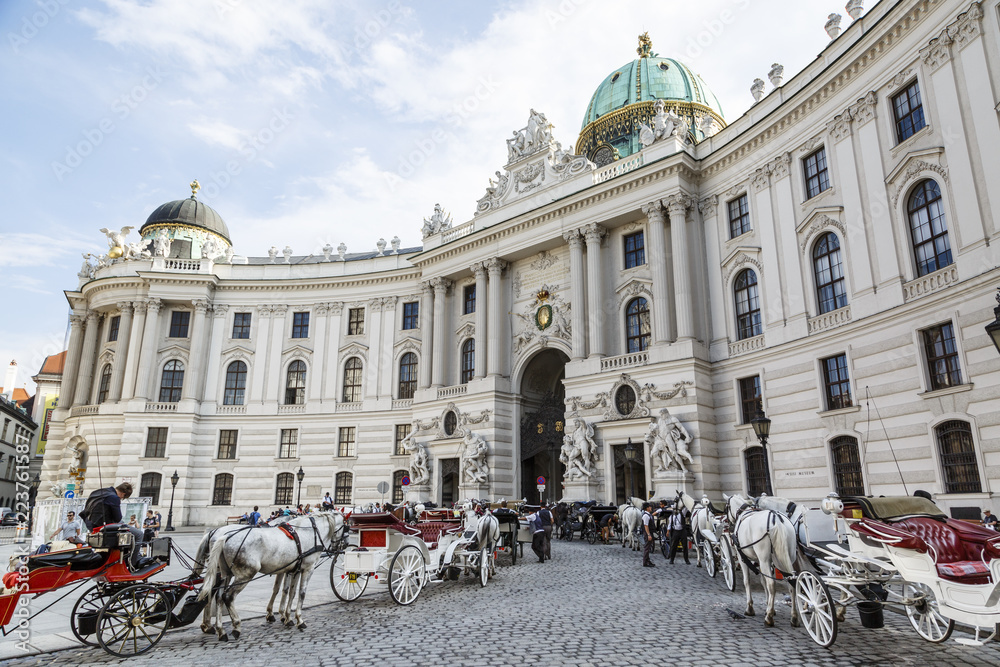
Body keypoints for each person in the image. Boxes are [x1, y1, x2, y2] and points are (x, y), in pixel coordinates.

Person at [641, 502, 656, 567]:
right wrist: (648, 535)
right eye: (650, 507)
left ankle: (647, 560)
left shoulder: (648, 515)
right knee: (647, 547)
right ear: (647, 508)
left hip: (649, 532)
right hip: (647, 533)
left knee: (648, 547)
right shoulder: (646, 516)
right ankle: (645, 562)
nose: (651, 508)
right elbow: (646, 526)